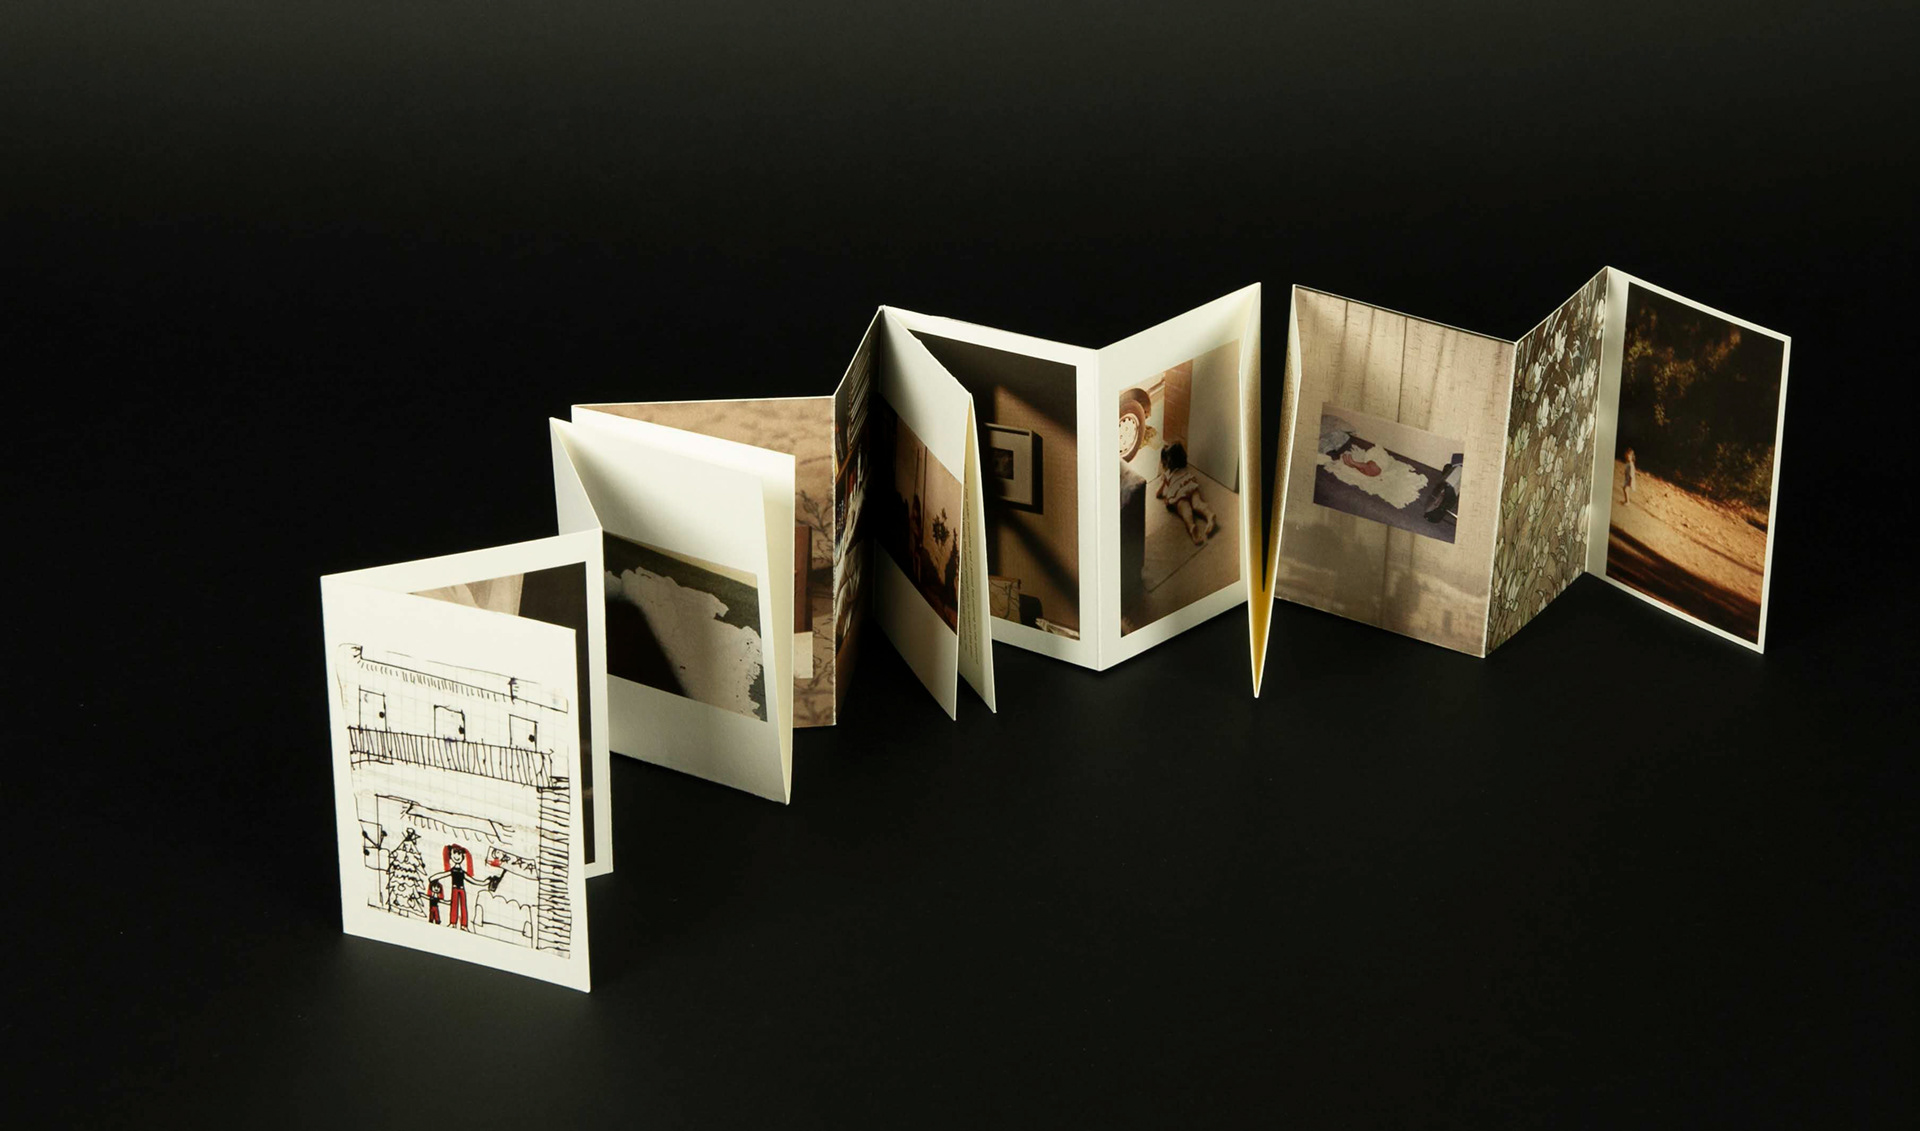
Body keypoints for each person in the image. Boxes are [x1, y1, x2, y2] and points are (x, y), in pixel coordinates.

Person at [1156, 441, 1219, 545]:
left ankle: (1192, 527)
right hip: (1189, 483)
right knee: (1197, 503)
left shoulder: (1167, 474)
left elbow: (1158, 494)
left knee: (1185, 508)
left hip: (1177, 490)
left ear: (1167, 462)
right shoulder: (1185, 470)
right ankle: (1209, 515)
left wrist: (1164, 482)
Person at [429, 843, 502, 931]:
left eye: (459, 854)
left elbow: (473, 881)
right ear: (450, 856)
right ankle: (453, 923)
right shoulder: (453, 871)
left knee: (463, 907)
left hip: (462, 890)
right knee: (454, 906)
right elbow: (443, 874)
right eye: (454, 853)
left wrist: (485, 882)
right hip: (455, 889)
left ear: (463, 857)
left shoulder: (462, 872)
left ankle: (464, 925)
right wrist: (432, 878)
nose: (457, 856)